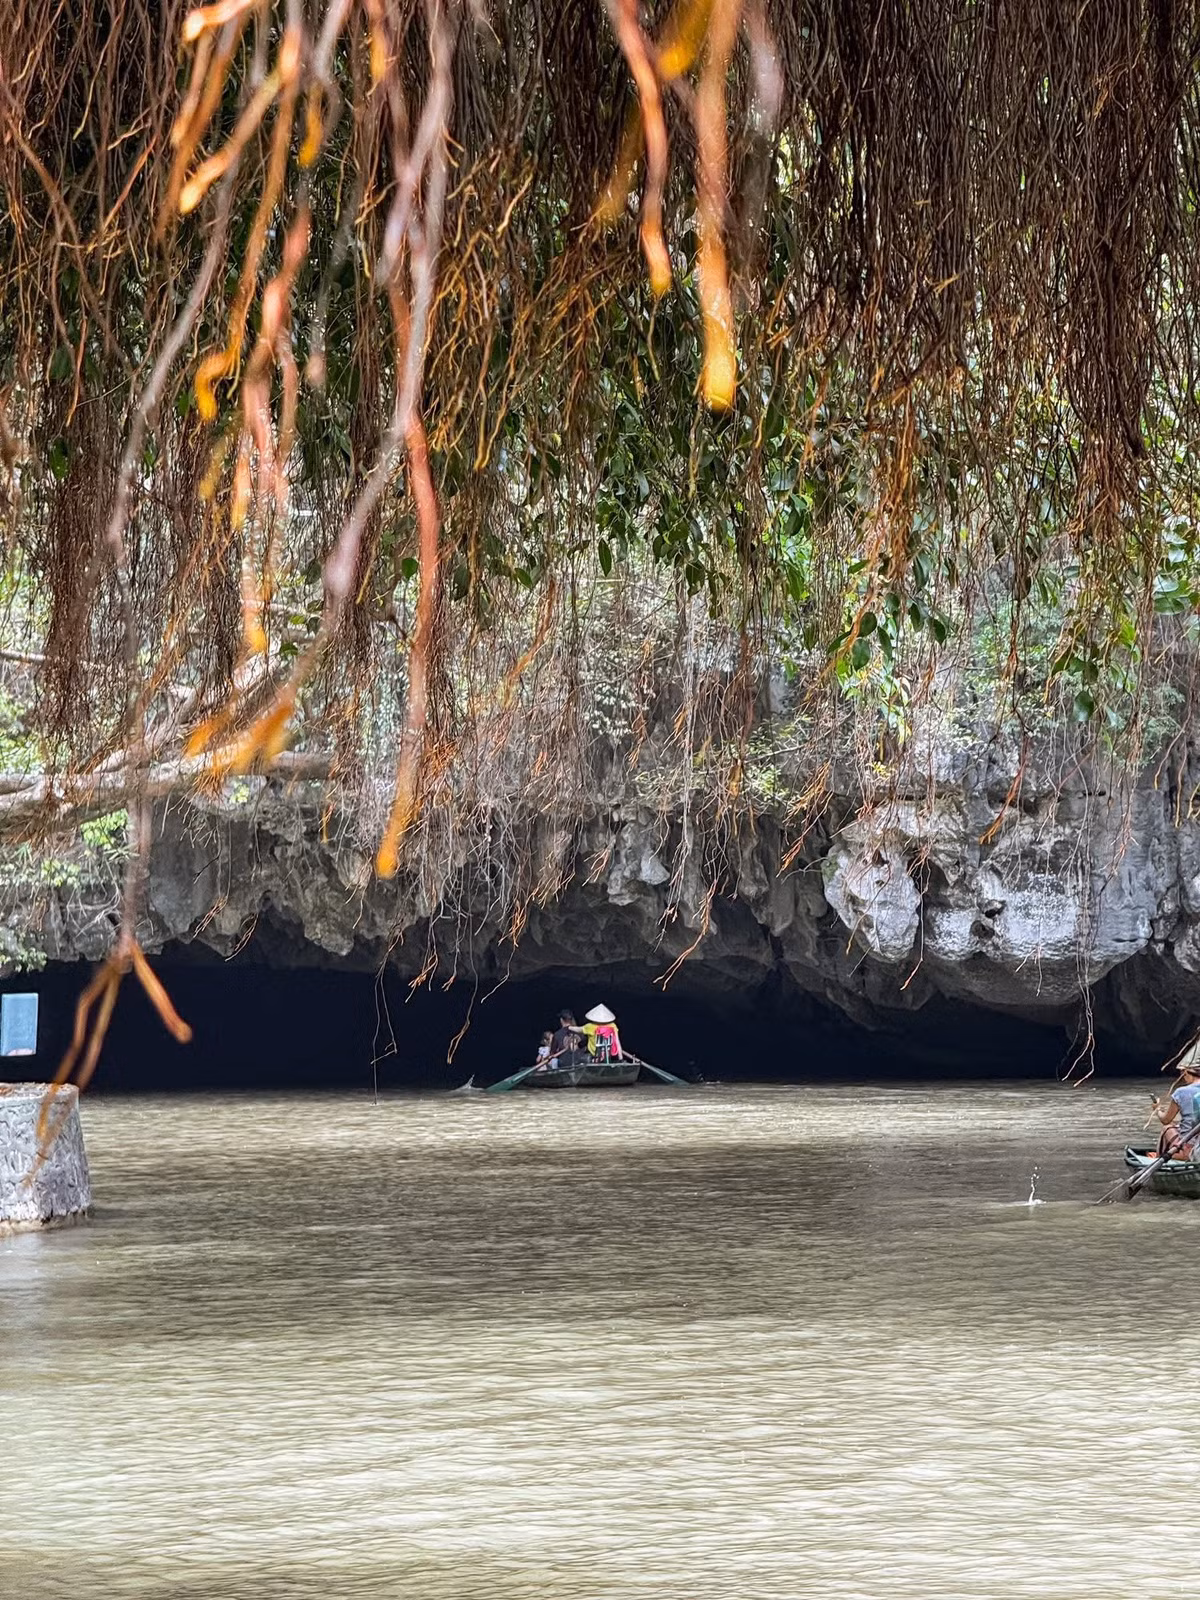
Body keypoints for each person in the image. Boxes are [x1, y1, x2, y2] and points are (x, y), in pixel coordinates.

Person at [1154, 1050, 1200, 1159]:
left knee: (1167, 1128)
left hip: (1190, 1148)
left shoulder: (1181, 1092)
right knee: (1176, 1125)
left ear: (1185, 1073)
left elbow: (1165, 1120)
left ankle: (1158, 1158)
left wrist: (1158, 1109)